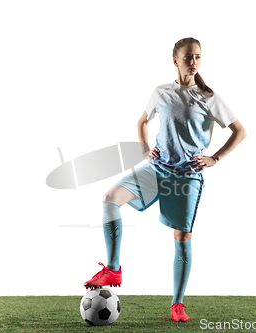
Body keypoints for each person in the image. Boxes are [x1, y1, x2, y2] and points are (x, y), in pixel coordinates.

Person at [83, 37, 247, 322]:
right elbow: (142, 121)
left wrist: (214, 158)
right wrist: (146, 149)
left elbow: (240, 131)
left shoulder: (209, 97)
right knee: (110, 199)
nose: (193, 62)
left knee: (182, 238)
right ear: (175, 60)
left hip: (186, 178)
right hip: (156, 170)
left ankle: (177, 304)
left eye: (197, 57)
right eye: (187, 57)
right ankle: (113, 267)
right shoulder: (161, 92)